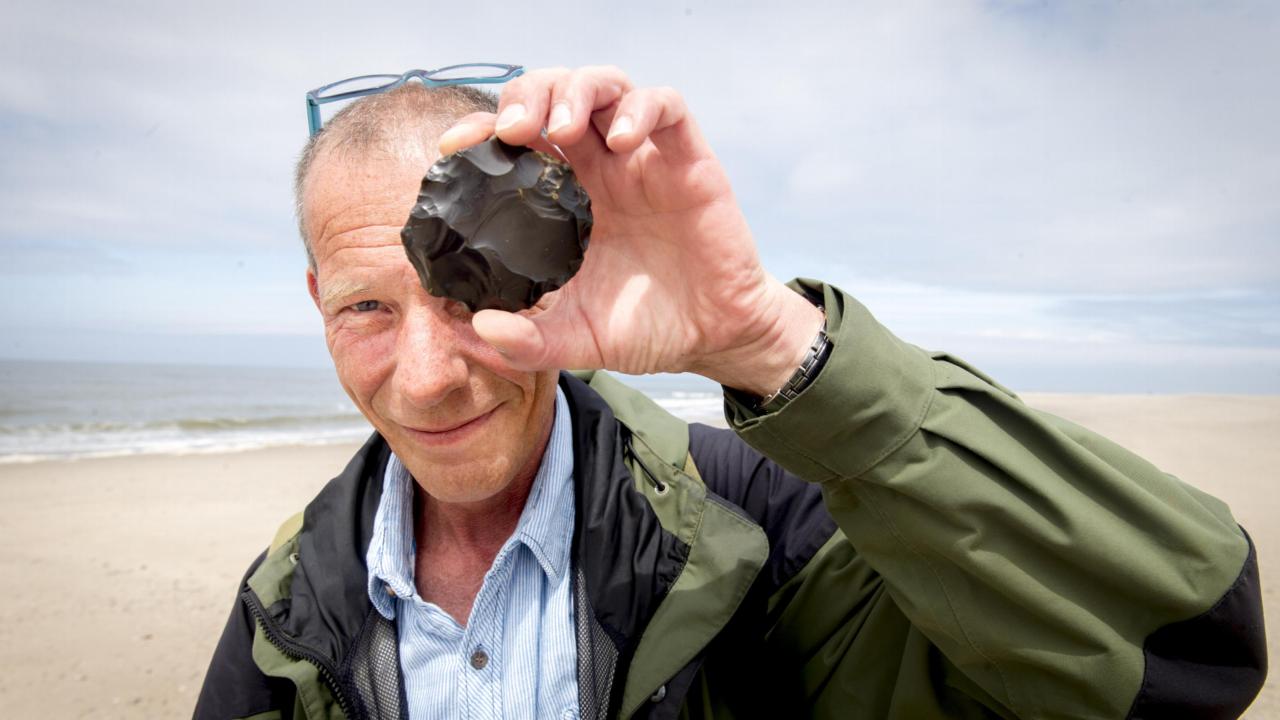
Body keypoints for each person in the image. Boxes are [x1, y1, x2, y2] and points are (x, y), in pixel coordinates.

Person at [195, 66, 1266, 720]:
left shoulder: (760, 526)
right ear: (312, 298)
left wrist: (761, 334)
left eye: (467, 287)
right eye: (365, 310)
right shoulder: (290, 607)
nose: (425, 379)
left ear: (550, 268)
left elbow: (1178, 654)